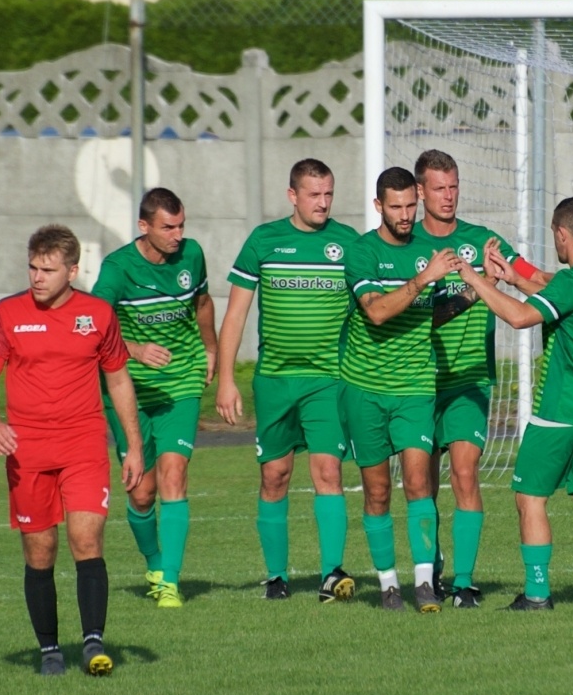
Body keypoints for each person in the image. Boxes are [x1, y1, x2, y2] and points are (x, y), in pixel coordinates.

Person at [0, 225, 144, 677]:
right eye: (32, 267)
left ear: (72, 270)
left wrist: (132, 445)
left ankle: (92, 642)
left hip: (84, 444)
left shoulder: (98, 315)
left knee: (86, 538)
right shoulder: (8, 314)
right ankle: (50, 649)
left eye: (47, 269)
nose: (37, 277)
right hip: (27, 451)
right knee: (40, 549)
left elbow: (119, 379)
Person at [455, 196, 573, 610]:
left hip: (560, 411)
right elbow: (561, 296)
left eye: (555, 236)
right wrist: (514, 276)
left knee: (529, 497)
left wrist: (476, 279)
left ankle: (536, 593)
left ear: (562, 234)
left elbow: (518, 317)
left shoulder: (570, 282)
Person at [216, 159, 359, 602]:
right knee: (275, 476)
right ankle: (276, 577)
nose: (322, 203)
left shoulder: (348, 243)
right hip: (275, 380)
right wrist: (225, 379)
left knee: (328, 471)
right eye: (314, 195)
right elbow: (236, 314)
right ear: (292, 196)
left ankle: (331, 575)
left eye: (328, 194)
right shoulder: (265, 241)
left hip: (328, 380)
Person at [411, 149, 549, 608]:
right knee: (421, 484)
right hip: (414, 382)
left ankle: (466, 582)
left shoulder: (482, 241)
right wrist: (475, 290)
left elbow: (536, 279)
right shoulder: (403, 247)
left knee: (465, 473)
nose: (448, 196)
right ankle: (429, 568)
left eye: (453, 186)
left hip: (469, 380)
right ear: (419, 191)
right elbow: (407, 319)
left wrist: (515, 277)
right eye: (438, 188)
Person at [341, 167, 461, 612]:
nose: (406, 214)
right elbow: (376, 312)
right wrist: (423, 279)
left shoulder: (431, 251)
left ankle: (425, 582)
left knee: (418, 483)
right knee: (376, 492)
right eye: (396, 206)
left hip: (414, 386)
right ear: (378, 206)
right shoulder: (361, 253)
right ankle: (388, 584)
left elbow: (436, 311)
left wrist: (479, 288)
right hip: (365, 389)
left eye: (412, 204)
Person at [90, 188, 217, 609]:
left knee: (174, 476)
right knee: (141, 492)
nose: (178, 235)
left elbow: (202, 303)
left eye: (182, 225)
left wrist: (211, 349)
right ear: (143, 227)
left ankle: (170, 582)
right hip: (129, 390)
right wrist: (137, 350)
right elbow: (92, 327)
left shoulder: (192, 256)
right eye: (168, 227)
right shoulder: (118, 269)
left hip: (181, 383)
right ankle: (156, 562)